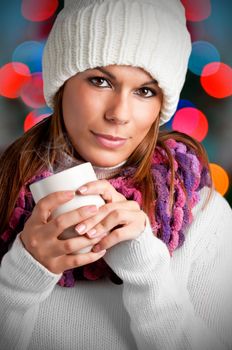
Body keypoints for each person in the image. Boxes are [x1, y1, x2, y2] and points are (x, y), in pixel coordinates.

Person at [0, 0, 232, 349]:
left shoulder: (204, 214)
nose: (120, 114)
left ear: (160, 105)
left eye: (145, 91)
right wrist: (22, 276)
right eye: (100, 81)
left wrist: (145, 265)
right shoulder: (4, 190)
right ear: (62, 84)